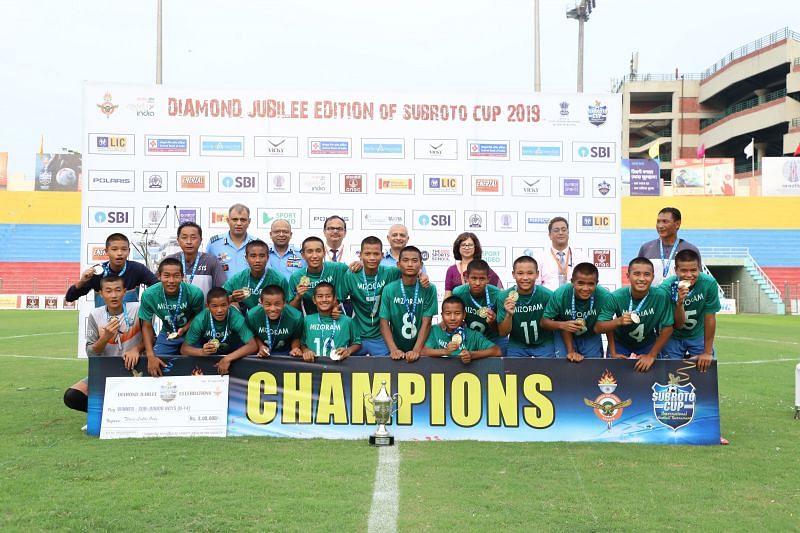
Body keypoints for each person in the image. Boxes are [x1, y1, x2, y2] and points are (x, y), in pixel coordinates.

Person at [63, 275, 143, 414]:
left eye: (118, 290)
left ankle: (120, 415)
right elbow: (91, 353)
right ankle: (109, 415)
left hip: (136, 367)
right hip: (107, 369)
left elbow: (152, 338)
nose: (113, 295)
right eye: (108, 291)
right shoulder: (95, 315)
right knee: (72, 396)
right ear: (101, 293)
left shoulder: (137, 309)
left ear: (125, 291)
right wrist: (105, 338)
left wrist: (136, 349)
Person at [595, 257, 674, 373]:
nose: (642, 279)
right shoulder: (616, 297)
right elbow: (599, 327)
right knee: (616, 378)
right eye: (637, 274)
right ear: (628, 276)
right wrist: (618, 322)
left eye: (647, 274)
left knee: (650, 378)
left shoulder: (661, 296)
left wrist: (652, 355)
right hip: (620, 343)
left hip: (648, 343)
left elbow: (668, 327)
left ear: (653, 277)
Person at [138, 258, 205, 376]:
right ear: (159, 276)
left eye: (176, 276)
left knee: (199, 365)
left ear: (182, 277)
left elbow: (199, 316)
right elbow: (146, 326)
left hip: (192, 332)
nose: (171, 280)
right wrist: (150, 355)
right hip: (167, 333)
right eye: (166, 276)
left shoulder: (195, 293)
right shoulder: (149, 295)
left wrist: (185, 328)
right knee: (155, 362)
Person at [338, 236, 402, 356]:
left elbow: (411, 271)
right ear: (360, 255)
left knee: (386, 371)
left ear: (382, 255)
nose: (372, 258)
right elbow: (338, 300)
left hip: (381, 336)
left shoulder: (390, 273)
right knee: (350, 371)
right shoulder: (351, 275)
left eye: (376, 254)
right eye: (367, 254)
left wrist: (422, 275)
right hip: (357, 337)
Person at [660, 249, 720, 371]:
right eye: (683, 270)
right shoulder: (666, 288)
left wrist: (707, 352)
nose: (689, 275)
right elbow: (678, 324)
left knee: (705, 371)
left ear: (699, 269)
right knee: (670, 373)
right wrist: (680, 303)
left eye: (693, 270)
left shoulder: (708, 283)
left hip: (697, 334)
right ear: (676, 270)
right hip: (673, 335)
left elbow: (710, 318)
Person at [541, 262, 612, 362]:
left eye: (591, 284)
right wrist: (563, 325)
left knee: (593, 367)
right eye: (580, 283)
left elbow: (608, 324)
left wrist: (613, 353)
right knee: (563, 364)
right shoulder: (560, 294)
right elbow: (544, 322)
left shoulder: (605, 296)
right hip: (564, 333)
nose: (585, 288)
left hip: (590, 334)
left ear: (597, 283)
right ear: (572, 282)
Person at [379, 246, 438, 362]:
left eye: (414, 261)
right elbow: (383, 322)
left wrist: (416, 350)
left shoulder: (430, 288)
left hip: (422, 346)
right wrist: (393, 349)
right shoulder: (389, 289)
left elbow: (427, 322)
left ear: (421, 265)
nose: (410, 264)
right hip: (396, 345)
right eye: (405, 260)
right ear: (398, 264)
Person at [180, 287, 258, 374]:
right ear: (207, 307)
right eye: (214, 306)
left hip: (235, 351)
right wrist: (202, 352)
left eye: (223, 305)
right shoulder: (200, 320)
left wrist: (228, 358)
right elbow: (184, 349)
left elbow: (253, 346)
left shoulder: (236, 318)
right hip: (209, 354)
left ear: (229, 304)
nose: (219, 310)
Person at [66, 232, 157, 306]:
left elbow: (158, 287)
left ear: (129, 251)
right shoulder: (97, 271)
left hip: (131, 325)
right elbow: (70, 298)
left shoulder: (137, 269)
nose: (119, 253)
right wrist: (82, 282)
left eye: (124, 249)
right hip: (104, 326)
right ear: (106, 251)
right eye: (114, 249)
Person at [496, 256, 554, 357]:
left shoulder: (548, 295)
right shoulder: (504, 297)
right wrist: (509, 315)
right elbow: (503, 333)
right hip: (517, 345)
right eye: (520, 273)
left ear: (537, 274)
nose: (525, 278)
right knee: (511, 371)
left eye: (530, 273)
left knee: (549, 371)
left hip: (544, 344)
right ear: (513, 274)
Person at [421, 296, 501, 363]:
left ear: (464, 315)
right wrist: (445, 351)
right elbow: (423, 351)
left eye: (457, 313)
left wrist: (472, 355)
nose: (452, 318)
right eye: (448, 314)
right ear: (442, 315)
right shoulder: (434, 330)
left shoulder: (473, 335)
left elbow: (496, 351)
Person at [451, 259, 506, 353]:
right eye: (474, 278)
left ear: (488, 279)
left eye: (482, 279)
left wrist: (493, 321)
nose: (477, 283)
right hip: (470, 338)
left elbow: (502, 331)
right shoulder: (458, 293)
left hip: (494, 338)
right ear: (466, 278)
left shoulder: (498, 294)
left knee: (501, 365)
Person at [637, 207, 701, 286]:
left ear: (677, 224)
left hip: (681, 297)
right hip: (653, 297)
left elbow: (698, 279)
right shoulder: (646, 248)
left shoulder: (690, 249)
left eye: (665, 222)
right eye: (658, 222)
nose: (660, 226)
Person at [298, 282, 361, 362]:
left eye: (328, 296)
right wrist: (306, 351)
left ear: (334, 299)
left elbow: (357, 343)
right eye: (320, 296)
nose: (324, 300)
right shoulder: (307, 320)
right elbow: (302, 343)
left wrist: (348, 351)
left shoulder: (347, 321)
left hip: (339, 367)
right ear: (314, 300)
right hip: (313, 367)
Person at [223, 240, 289, 314]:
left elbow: (287, 306)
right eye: (253, 256)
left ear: (267, 258)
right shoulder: (237, 278)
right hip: (244, 320)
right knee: (232, 306)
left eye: (262, 256)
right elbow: (219, 301)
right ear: (246, 258)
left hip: (270, 318)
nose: (257, 260)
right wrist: (232, 298)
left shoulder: (279, 280)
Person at [288, 236, 349, 315]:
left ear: (324, 253)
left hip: (336, 318)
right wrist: (298, 296)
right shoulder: (296, 277)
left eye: (318, 251)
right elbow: (290, 310)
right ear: (303, 255)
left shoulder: (339, 268)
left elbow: (358, 273)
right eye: (310, 252)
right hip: (310, 322)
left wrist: (359, 264)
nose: (314, 256)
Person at [166, 222, 226, 297]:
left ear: (201, 240)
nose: (189, 242)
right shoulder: (170, 261)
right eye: (184, 237)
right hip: (176, 308)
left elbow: (221, 291)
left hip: (204, 308)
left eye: (193, 238)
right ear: (178, 240)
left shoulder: (211, 261)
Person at [246, 285, 304, 357]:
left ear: (284, 302)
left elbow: (296, 337)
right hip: (260, 352)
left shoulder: (296, 317)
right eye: (268, 304)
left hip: (286, 353)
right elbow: (253, 336)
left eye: (277, 304)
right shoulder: (252, 316)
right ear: (261, 302)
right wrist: (260, 346)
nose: (273, 309)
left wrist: (295, 348)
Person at [535, 217, 589, 291]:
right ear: (550, 235)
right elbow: (536, 285)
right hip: (549, 299)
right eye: (556, 230)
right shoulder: (540, 257)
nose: (561, 233)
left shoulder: (581, 257)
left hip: (574, 299)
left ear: (568, 233)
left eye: (564, 230)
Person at [444, 232, 502, 298]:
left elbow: (501, 290)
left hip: (480, 307)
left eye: (470, 245)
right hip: (459, 307)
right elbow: (448, 295)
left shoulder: (482, 268)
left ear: (475, 247)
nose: (467, 248)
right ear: (458, 247)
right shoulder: (451, 270)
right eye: (463, 245)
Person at [207, 203, 257, 279]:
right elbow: (207, 271)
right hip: (223, 290)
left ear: (249, 221)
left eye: (243, 220)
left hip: (248, 290)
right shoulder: (214, 244)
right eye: (235, 219)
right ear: (228, 220)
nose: (239, 223)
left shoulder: (257, 244)